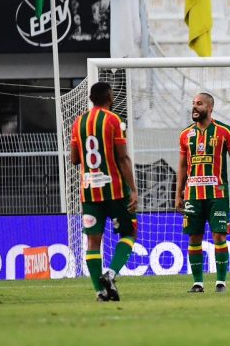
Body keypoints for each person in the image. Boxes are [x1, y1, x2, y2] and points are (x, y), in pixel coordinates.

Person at [70, 82, 139, 302]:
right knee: (129, 233)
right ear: (110, 97)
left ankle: (99, 293)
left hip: (89, 193)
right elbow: (123, 157)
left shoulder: (78, 122)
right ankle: (110, 274)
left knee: (93, 242)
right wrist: (134, 190)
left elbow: (74, 159)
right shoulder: (113, 120)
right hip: (115, 191)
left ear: (90, 98)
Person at [175, 92, 230, 293]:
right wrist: (178, 192)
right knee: (194, 238)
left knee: (219, 237)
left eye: (199, 104)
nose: (194, 107)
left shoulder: (224, 131)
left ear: (210, 107)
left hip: (218, 194)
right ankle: (197, 283)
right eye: (193, 104)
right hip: (193, 195)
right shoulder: (185, 135)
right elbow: (181, 165)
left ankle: (221, 282)